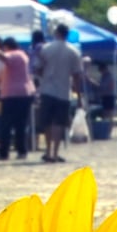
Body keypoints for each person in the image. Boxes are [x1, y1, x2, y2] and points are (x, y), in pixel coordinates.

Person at [35, 24, 84, 164]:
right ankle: (56, 153)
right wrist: (79, 96)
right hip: (63, 91)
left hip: (48, 89)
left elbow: (38, 69)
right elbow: (77, 76)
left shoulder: (46, 49)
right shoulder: (74, 51)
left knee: (47, 122)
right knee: (59, 123)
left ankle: (48, 150)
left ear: (56, 32)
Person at [0, 37, 34, 161]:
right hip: (24, 93)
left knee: (6, 124)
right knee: (20, 123)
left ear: (6, 47)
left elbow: (4, 57)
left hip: (11, 94)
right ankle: (21, 150)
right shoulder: (23, 55)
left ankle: (4, 151)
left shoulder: (14, 55)